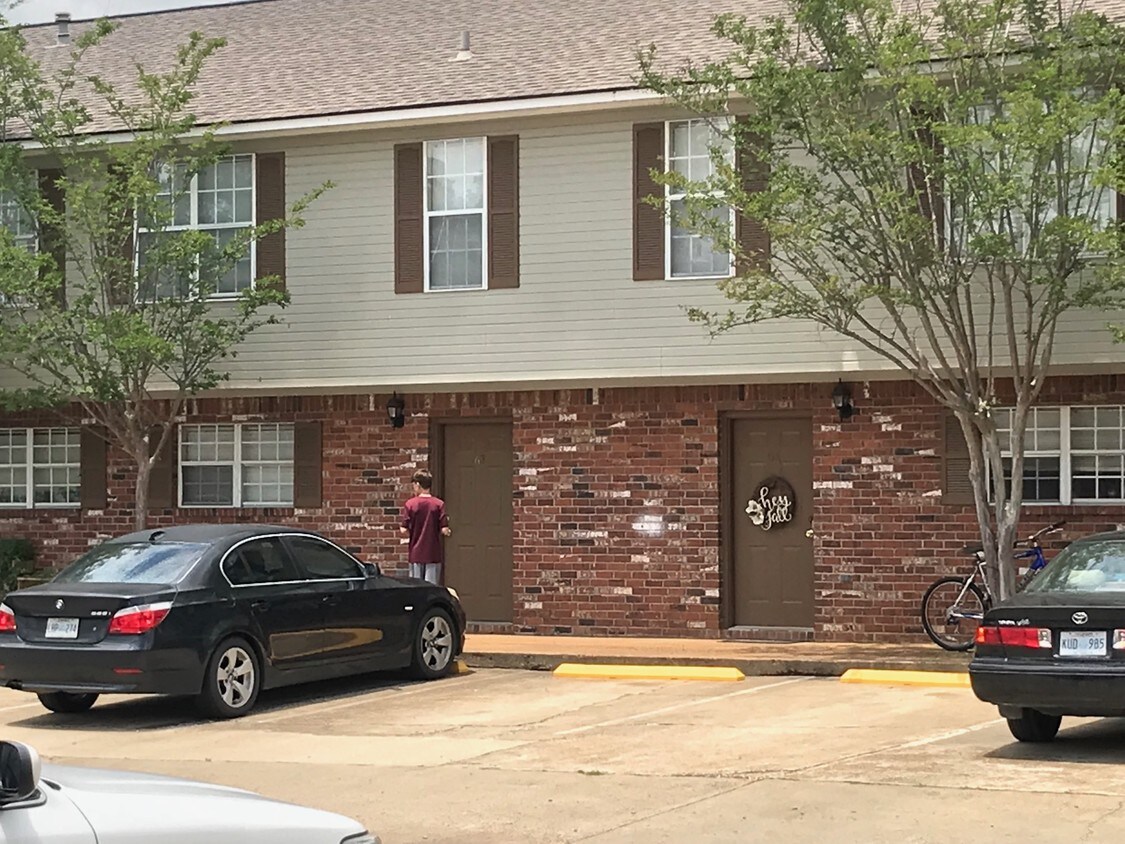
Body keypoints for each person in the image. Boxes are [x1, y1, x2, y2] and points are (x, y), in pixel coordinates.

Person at [399, 469, 451, 584]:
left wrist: (413, 533)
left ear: (418, 484)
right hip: (433, 553)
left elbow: (403, 529)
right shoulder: (439, 504)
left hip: (416, 553)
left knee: (416, 588)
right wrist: (447, 531)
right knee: (431, 588)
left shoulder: (410, 504)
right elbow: (444, 529)